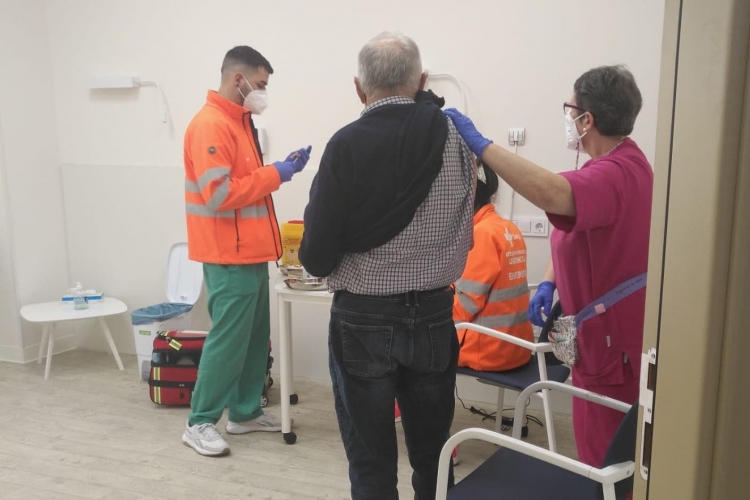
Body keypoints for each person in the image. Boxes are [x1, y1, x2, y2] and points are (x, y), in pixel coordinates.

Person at [445, 65, 653, 469]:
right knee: (602, 449)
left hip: (610, 347)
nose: (568, 118)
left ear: (586, 119)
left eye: (570, 110)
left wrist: (483, 146)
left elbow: (553, 194)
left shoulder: (616, 173)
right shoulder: (617, 166)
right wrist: (549, 282)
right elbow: (578, 235)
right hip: (600, 336)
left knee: (607, 463)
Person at [299, 32, 475, 500]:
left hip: (363, 319)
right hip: (436, 314)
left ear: (360, 88)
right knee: (435, 456)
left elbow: (315, 254)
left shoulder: (346, 145)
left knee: (372, 462)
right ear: (420, 81)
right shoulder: (457, 138)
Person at [182, 45, 312, 457]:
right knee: (228, 342)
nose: (262, 93)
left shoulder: (239, 123)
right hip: (227, 255)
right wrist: (277, 174)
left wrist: (277, 170)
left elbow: (246, 183)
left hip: (252, 254)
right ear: (237, 80)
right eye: (259, 84)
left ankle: (243, 413)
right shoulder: (211, 125)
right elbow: (219, 195)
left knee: (256, 341)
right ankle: (199, 421)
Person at [454, 161, 534, 372]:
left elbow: (464, 306)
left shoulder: (482, 234)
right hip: (517, 346)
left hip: (488, 351)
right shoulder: (507, 228)